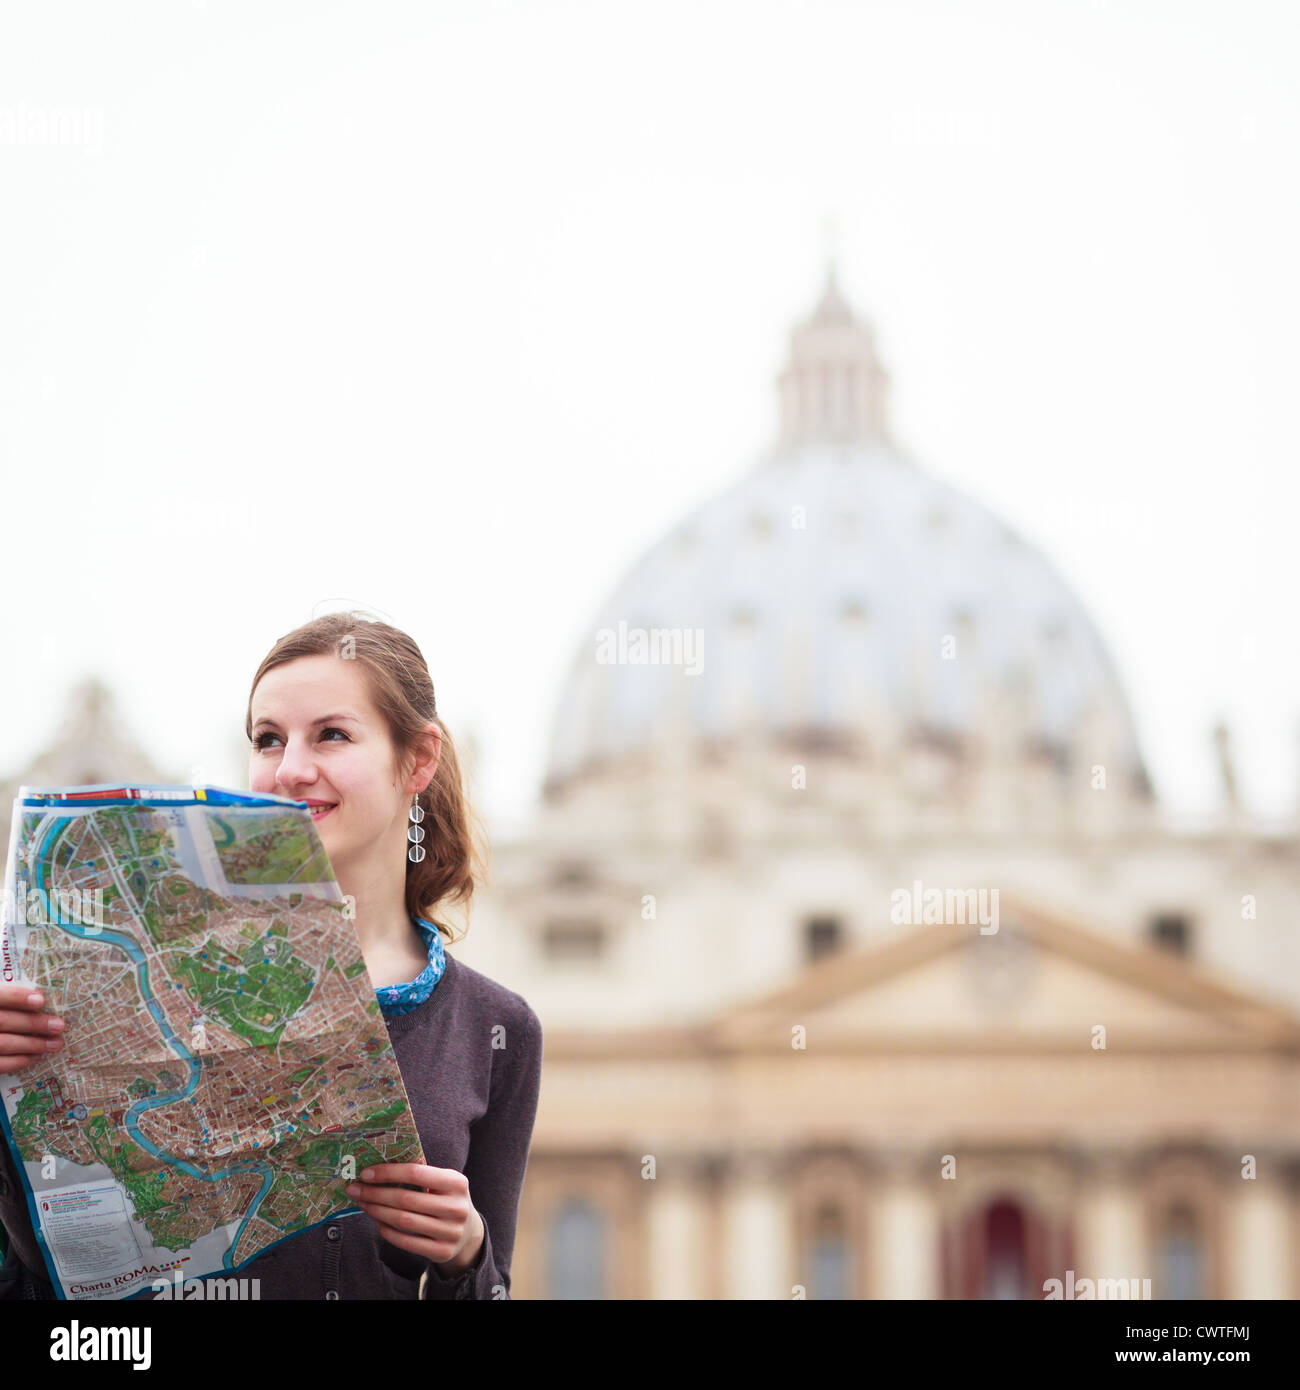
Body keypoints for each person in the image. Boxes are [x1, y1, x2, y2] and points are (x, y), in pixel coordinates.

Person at [0, 611, 542, 1300]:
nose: (289, 770)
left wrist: (467, 1252)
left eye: (332, 735)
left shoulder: (498, 1027)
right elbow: (34, 1271)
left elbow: (491, 1291)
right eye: (267, 740)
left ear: (419, 759)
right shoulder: (139, 976)